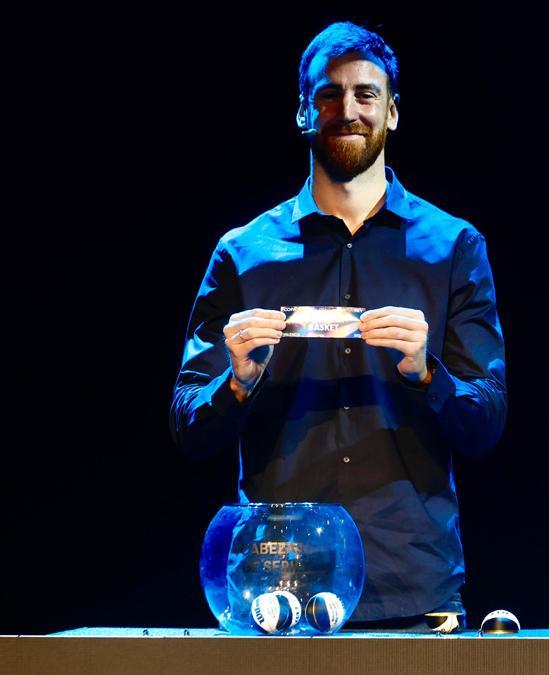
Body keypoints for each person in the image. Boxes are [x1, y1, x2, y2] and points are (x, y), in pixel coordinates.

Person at [170, 22, 507, 632]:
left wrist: (425, 373)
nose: (347, 110)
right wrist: (237, 383)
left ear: (392, 113)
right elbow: (189, 428)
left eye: (365, 94)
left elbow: (485, 424)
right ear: (304, 111)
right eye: (329, 94)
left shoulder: (453, 247)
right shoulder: (243, 253)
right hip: (276, 593)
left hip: (412, 590)